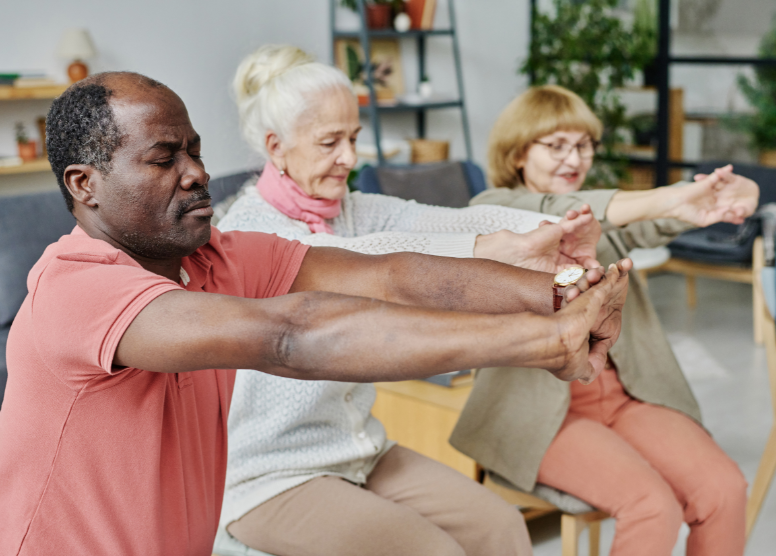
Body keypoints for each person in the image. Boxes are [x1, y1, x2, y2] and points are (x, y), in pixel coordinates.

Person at [0, 73, 630, 556]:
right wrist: (544, 340)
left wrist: (558, 293)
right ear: (85, 184)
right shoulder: (77, 290)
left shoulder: (213, 257)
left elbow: (389, 276)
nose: (198, 174)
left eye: (194, 151)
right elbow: (290, 336)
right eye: (165, 159)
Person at [213, 45, 607, 556]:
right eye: (330, 142)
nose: (350, 159)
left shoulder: (350, 208)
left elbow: (441, 221)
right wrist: (501, 252)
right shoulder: (245, 232)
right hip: (269, 476)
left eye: (354, 138)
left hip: (360, 453)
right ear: (276, 146)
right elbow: (367, 263)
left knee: (501, 527)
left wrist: (549, 231)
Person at [450, 84, 759, 556]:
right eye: (555, 146)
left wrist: (733, 191)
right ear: (517, 154)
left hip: (625, 397)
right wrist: (673, 199)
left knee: (724, 489)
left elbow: (661, 216)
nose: (573, 159)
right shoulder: (490, 211)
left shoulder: (601, 222)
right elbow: (574, 211)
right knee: (652, 506)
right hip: (543, 414)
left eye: (583, 145)